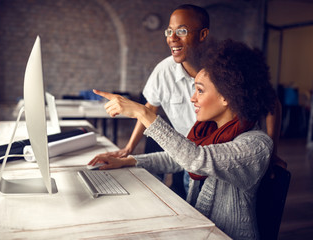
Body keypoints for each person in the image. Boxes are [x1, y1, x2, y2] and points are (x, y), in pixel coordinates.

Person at [89, 39, 277, 239]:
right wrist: (129, 161)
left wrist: (143, 113)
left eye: (200, 90)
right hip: (198, 230)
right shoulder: (210, 132)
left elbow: (196, 159)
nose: (192, 98)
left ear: (226, 97)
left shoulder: (257, 145)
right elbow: (176, 157)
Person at [92, 4, 282, 198]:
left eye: (181, 31)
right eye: (169, 31)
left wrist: (271, 153)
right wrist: (128, 155)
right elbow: (182, 157)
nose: (193, 99)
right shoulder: (166, 73)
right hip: (188, 155)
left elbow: (197, 159)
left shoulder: (252, 144)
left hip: (204, 158)